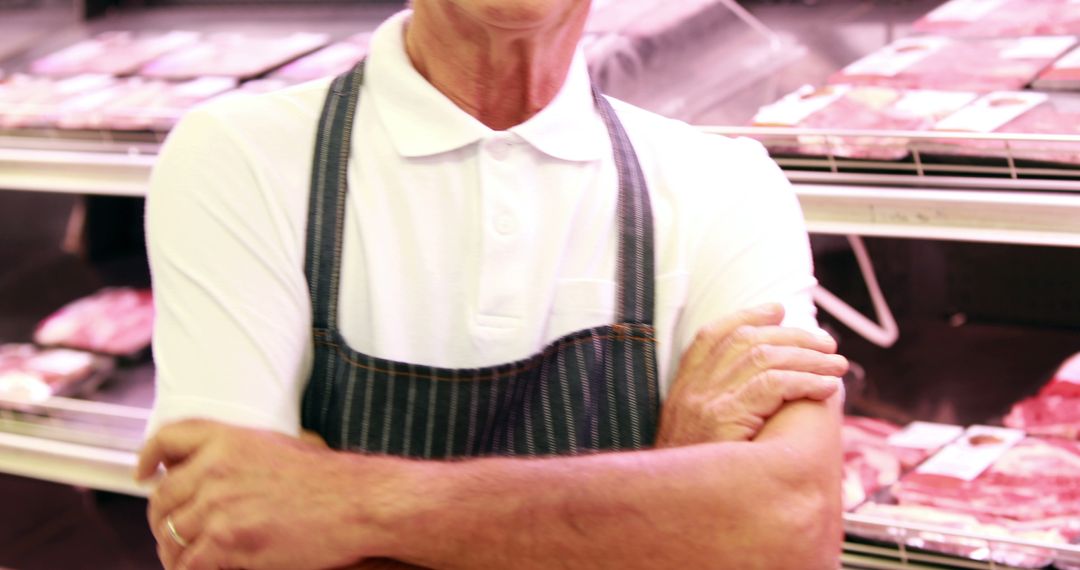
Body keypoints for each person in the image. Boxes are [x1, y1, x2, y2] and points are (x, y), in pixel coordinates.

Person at [137, 0, 849, 568]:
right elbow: (232, 543)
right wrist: (676, 482)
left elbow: (789, 530)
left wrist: (347, 505)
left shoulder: (726, 184)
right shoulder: (237, 158)